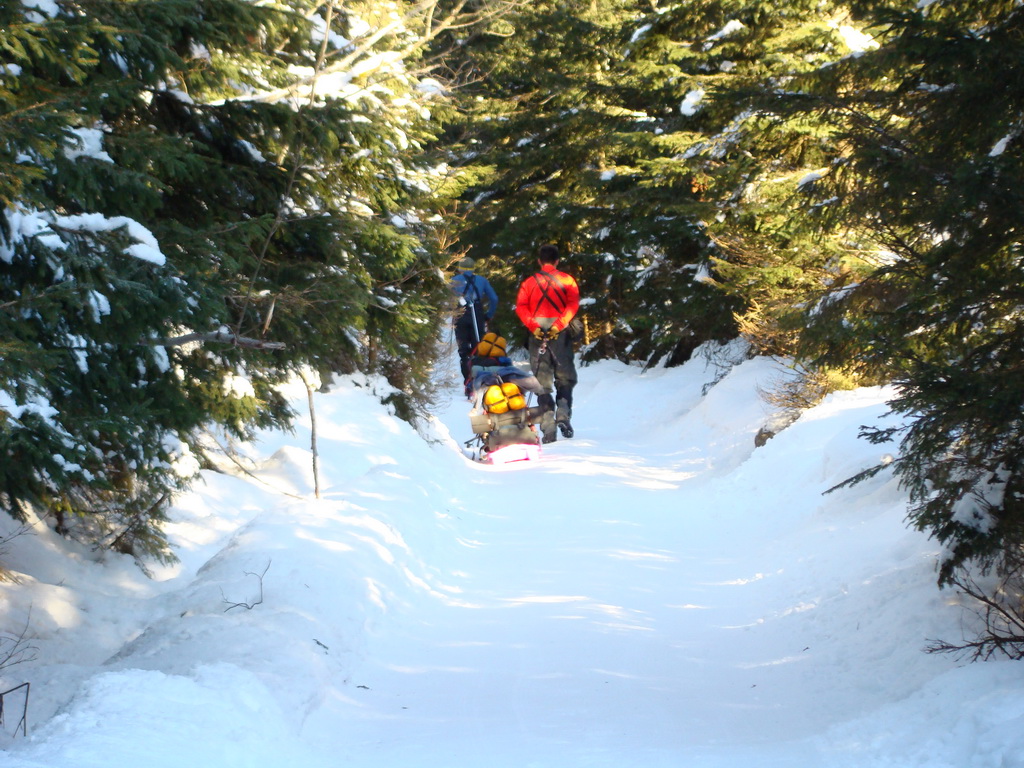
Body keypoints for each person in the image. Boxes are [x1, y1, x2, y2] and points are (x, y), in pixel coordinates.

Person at [515, 244, 580, 443]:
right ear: (557, 261)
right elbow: (573, 305)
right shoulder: (568, 280)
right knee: (565, 377)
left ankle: (547, 426)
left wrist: (533, 326)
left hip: (537, 334)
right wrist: (559, 324)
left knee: (541, 383)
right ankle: (563, 413)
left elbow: (521, 307)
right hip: (560, 333)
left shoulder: (529, 282)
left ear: (539, 261)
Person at [450, 256, 498, 382]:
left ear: (460, 268)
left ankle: (468, 381)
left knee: (463, 349)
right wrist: (489, 314)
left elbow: (447, 298)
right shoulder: (482, 280)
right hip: (477, 313)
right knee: (479, 346)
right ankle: (480, 378)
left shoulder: (454, 281)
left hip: (460, 313)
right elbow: (494, 299)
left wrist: (451, 310)